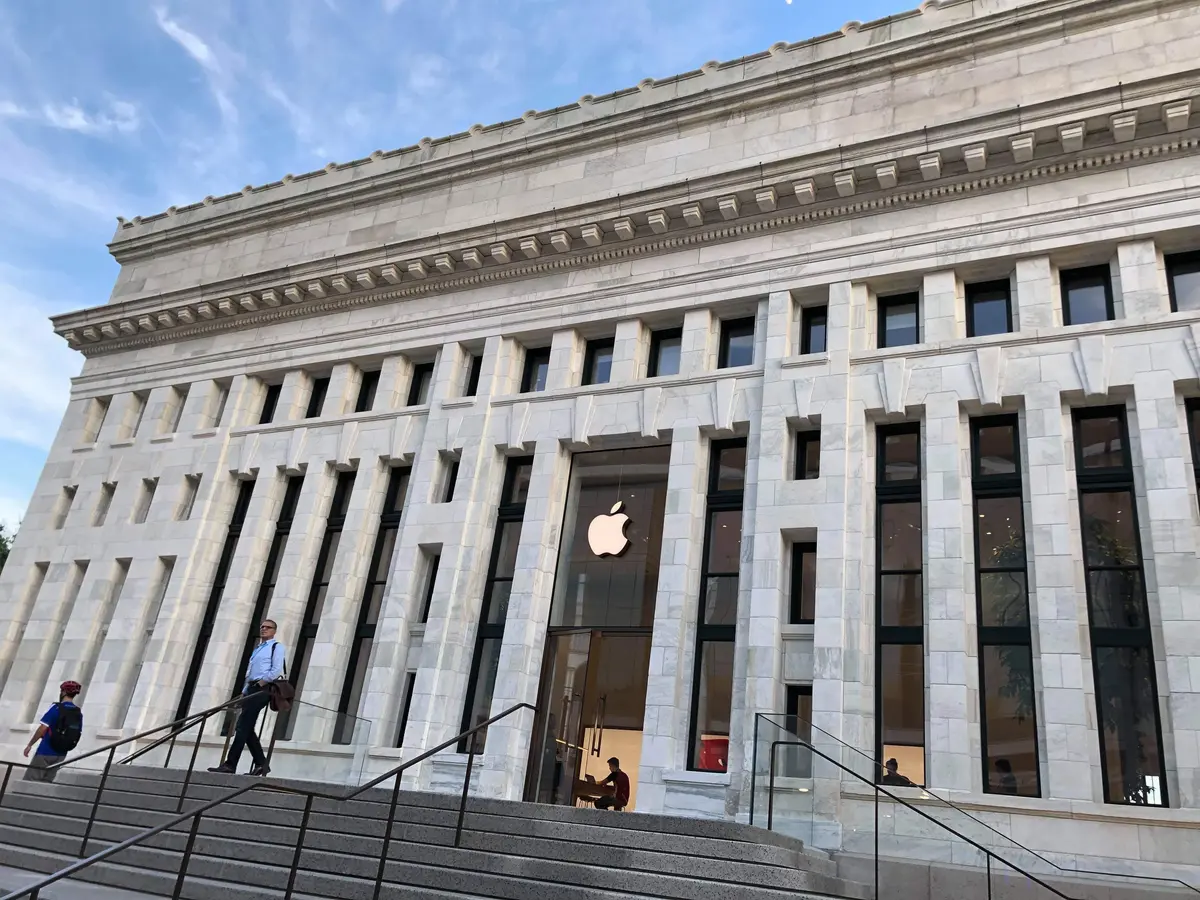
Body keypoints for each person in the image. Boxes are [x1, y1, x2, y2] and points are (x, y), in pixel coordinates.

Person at [208, 620, 285, 777]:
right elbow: (250, 672)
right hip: (251, 688)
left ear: (274, 631)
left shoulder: (276, 647)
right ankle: (261, 764)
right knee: (246, 728)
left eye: (267, 627)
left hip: (262, 689)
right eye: (262, 626)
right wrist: (245, 690)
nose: (264, 629)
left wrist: (261, 683)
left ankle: (230, 764)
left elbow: (276, 670)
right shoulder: (258, 648)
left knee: (242, 726)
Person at [23, 681, 84, 783]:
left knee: (31, 780)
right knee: (46, 783)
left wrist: (30, 744)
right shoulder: (78, 712)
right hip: (61, 754)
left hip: (45, 751)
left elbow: (42, 728)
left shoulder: (56, 708)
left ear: (64, 692)